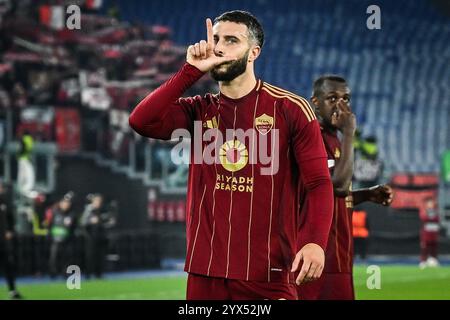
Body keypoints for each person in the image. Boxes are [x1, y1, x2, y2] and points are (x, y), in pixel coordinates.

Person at [129, 10, 334, 300]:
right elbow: (141, 121)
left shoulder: (290, 109)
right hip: (205, 272)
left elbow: (319, 184)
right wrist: (190, 71)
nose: (220, 47)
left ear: (254, 53)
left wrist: (315, 242)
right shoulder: (199, 110)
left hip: (268, 272)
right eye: (215, 39)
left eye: (231, 40)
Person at [297, 75, 393, 300]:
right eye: (332, 98)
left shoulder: (334, 140)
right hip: (319, 257)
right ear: (316, 102)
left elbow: (331, 193)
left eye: (346, 99)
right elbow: (338, 186)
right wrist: (349, 133)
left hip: (338, 255)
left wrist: (365, 194)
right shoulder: (313, 138)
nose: (341, 106)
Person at [80, 194, 115, 278]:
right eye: (96, 201)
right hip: (90, 237)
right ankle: (88, 274)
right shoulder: (89, 210)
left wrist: (109, 222)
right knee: (90, 256)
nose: (98, 203)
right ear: (93, 201)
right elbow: (82, 222)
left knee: (101, 256)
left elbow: (109, 223)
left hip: (101, 237)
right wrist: (90, 221)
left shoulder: (103, 210)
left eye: (99, 201)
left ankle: (99, 274)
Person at [0, 181, 23, 299]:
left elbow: (11, 219)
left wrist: (10, 231)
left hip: (3, 241)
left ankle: (12, 290)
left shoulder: (5, 201)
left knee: (9, 265)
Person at [47, 192, 75, 278]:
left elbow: (73, 227)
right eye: (65, 203)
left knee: (66, 257)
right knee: (54, 257)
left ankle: (65, 273)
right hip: (55, 239)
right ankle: (53, 273)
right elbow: (49, 225)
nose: (66, 205)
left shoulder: (71, 214)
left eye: (68, 203)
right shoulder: (55, 212)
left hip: (67, 240)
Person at [419, 197, 440, 269]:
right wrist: (429, 216)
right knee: (425, 247)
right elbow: (424, 218)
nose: (430, 204)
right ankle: (423, 261)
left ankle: (433, 259)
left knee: (434, 246)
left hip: (434, 232)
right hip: (426, 232)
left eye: (432, 203)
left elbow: (437, 219)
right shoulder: (424, 211)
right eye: (429, 203)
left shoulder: (436, 211)